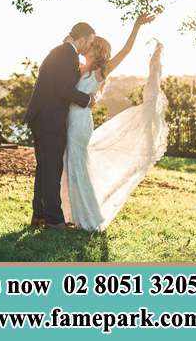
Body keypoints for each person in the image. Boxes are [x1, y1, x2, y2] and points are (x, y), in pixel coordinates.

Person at [60, 13, 167, 231]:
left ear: (95, 49)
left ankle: (89, 219)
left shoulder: (101, 71)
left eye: (90, 44)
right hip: (69, 120)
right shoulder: (79, 68)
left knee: (77, 165)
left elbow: (125, 51)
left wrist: (137, 26)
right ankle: (70, 214)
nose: (86, 46)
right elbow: (66, 46)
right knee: (69, 165)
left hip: (80, 122)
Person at [23, 22, 97, 230]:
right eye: (89, 42)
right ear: (81, 38)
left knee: (45, 168)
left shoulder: (60, 52)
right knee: (52, 168)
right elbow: (63, 88)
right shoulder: (67, 55)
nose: (88, 47)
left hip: (43, 118)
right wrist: (87, 100)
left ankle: (39, 215)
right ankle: (54, 220)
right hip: (50, 119)